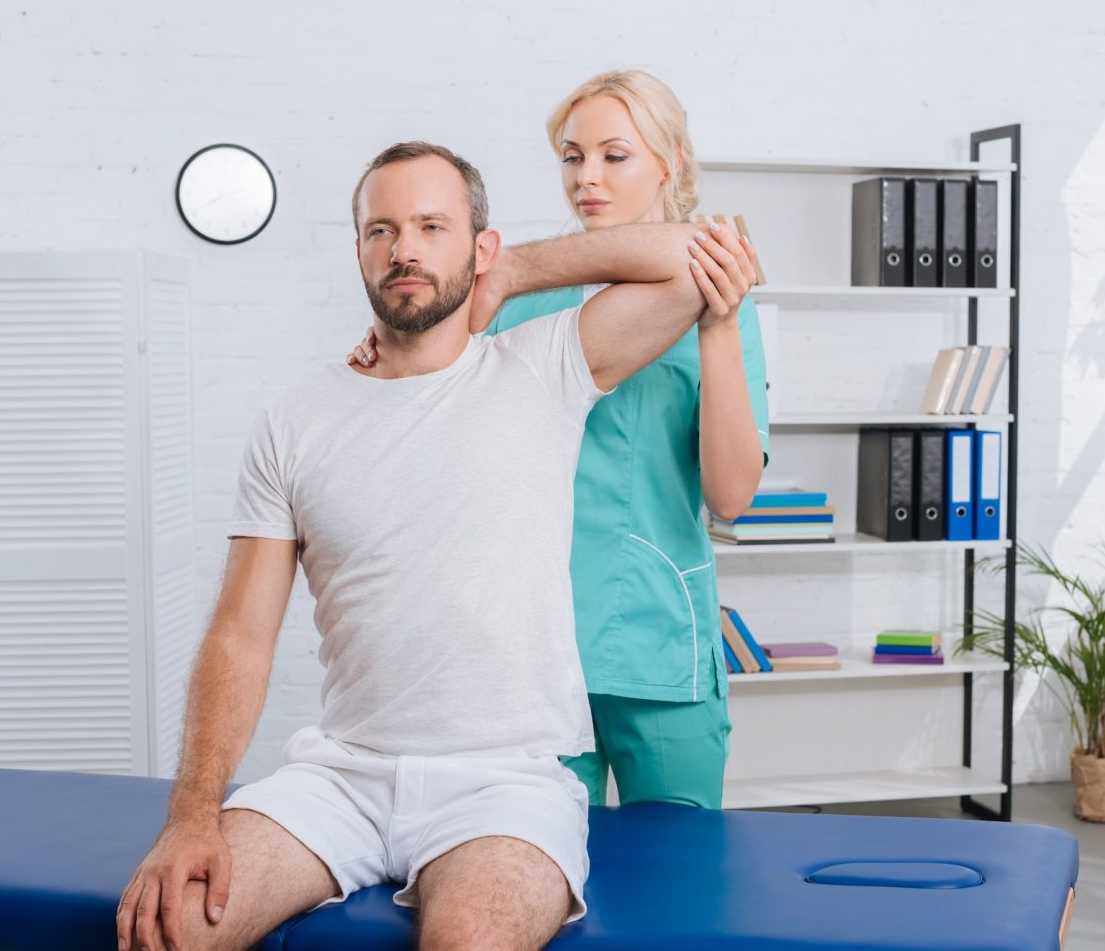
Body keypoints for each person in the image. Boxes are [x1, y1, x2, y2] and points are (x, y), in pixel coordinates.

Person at [115, 140, 753, 951]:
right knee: (169, 931)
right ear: (357, 251)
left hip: (504, 785)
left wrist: (517, 268)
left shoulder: (544, 367)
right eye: (381, 230)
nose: (404, 248)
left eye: (431, 226)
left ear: (480, 248)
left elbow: (695, 253)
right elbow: (241, 632)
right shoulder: (294, 418)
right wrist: (191, 814)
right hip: (338, 776)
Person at [350, 71, 767, 810]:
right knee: (538, 884)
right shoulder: (517, 298)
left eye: (614, 156)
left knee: (674, 892)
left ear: (668, 162)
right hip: (529, 657)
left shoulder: (712, 291)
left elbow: (731, 496)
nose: (587, 179)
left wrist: (722, 326)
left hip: (657, 645)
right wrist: (384, 347)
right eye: (572, 157)